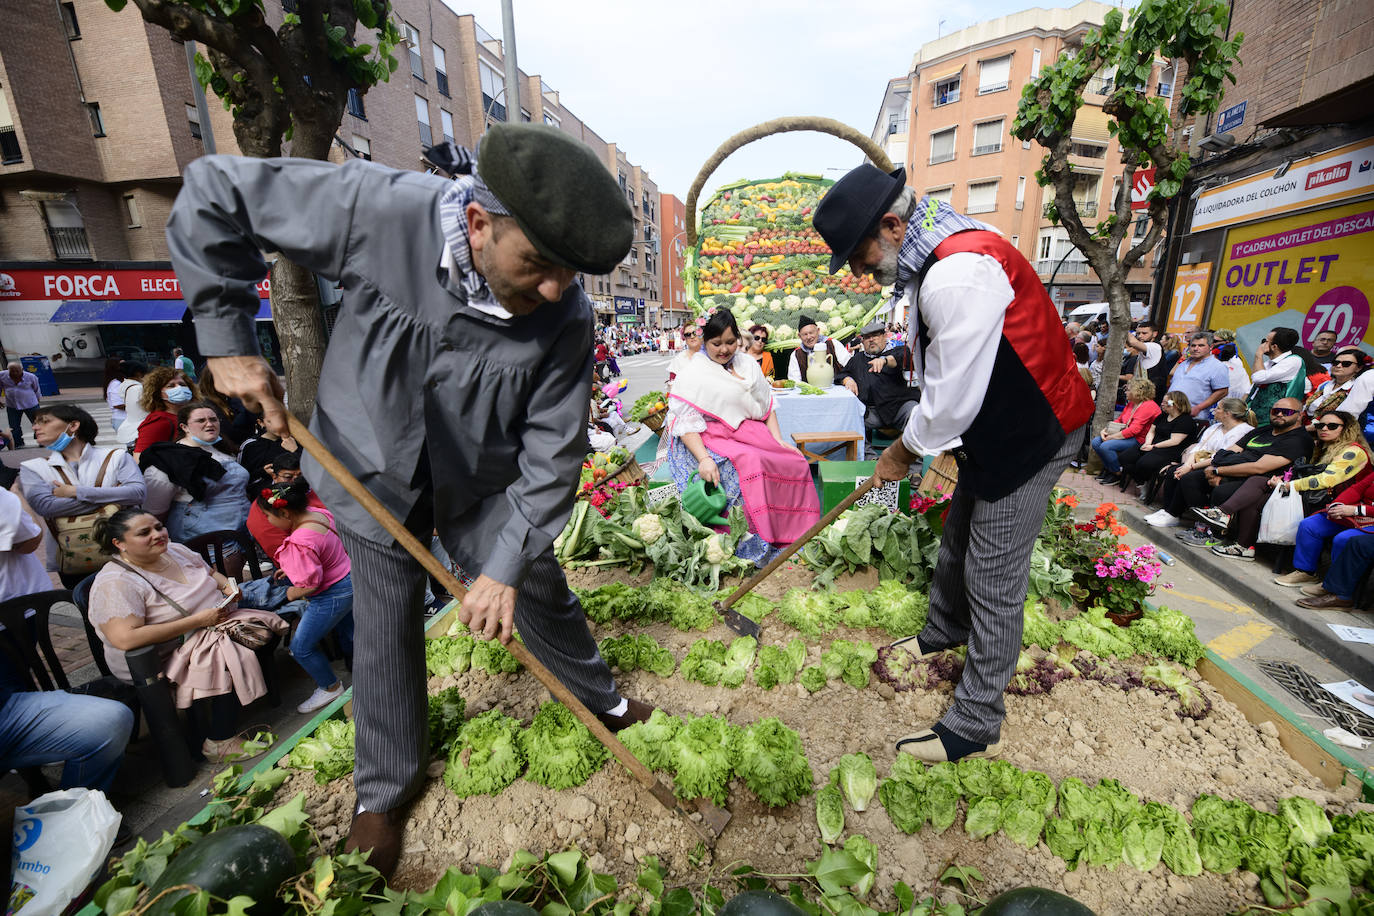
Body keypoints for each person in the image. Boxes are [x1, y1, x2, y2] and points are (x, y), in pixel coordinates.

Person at [166, 123, 660, 875]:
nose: (557, 289)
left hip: (480, 478)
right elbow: (213, 191)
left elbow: (553, 452)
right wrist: (227, 339)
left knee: (536, 582)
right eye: (540, 264)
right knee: (386, 621)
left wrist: (499, 568)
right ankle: (384, 793)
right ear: (478, 224)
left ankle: (598, 695)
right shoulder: (377, 209)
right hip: (367, 462)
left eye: (572, 273)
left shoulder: (565, 315)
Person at [813, 164, 1092, 763]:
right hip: (997, 428)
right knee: (957, 539)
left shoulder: (956, 274)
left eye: (859, 256)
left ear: (891, 225)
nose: (861, 271)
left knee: (993, 577)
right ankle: (945, 631)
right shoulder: (933, 261)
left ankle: (976, 720)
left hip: (1035, 431)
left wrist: (900, 451)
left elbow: (950, 401)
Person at [88, 509, 286, 761]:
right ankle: (218, 739)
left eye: (159, 527)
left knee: (265, 626)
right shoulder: (116, 582)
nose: (157, 535)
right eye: (144, 533)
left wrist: (230, 588)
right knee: (226, 652)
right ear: (119, 543)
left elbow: (213, 575)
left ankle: (232, 699)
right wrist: (197, 620)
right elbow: (125, 639)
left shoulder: (175, 550)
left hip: (208, 625)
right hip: (157, 656)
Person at [0, 485, 135, 794]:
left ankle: (69, 804)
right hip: (16, 610)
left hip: (18, 615)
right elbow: (31, 534)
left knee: (105, 720)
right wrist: (19, 495)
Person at [666, 308, 820, 563]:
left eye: (730, 342)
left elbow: (766, 406)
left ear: (738, 338)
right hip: (707, 435)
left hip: (749, 432)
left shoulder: (747, 363)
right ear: (705, 342)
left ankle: (799, 533)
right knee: (752, 462)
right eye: (716, 344)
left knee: (794, 460)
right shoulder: (694, 373)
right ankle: (762, 536)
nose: (724, 349)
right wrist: (704, 459)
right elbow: (685, 423)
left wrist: (778, 440)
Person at [19, 404, 147, 588]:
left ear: (73, 426)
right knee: (85, 606)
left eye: (44, 421)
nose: (35, 427)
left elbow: (138, 493)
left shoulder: (116, 456)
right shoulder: (34, 467)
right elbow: (45, 506)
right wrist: (116, 499)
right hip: (73, 557)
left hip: (126, 549)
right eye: (36, 423)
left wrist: (75, 492)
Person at [256, 480, 355, 714]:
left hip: (331, 594)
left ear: (284, 512)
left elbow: (310, 584)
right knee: (352, 633)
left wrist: (283, 596)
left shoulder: (300, 541)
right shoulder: (319, 514)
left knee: (301, 646)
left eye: (268, 516)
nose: (267, 522)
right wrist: (294, 568)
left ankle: (330, 688)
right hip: (349, 579)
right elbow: (323, 552)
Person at [1167, 398, 1313, 552]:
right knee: (1191, 479)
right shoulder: (1263, 430)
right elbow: (1230, 451)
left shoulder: (1299, 439)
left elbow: (1259, 467)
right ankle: (1202, 526)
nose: (1280, 414)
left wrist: (1219, 471)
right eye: (1275, 411)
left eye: (1287, 412)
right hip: (1233, 470)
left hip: (1262, 481)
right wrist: (1210, 467)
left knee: (1222, 490)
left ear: (1300, 415)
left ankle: (1216, 534)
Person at [145, 403, 252, 552]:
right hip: (204, 537)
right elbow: (155, 509)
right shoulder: (171, 460)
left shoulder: (225, 450)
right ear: (184, 427)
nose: (210, 424)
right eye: (201, 420)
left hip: (241, 530)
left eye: (213, 419)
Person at [1276, 445, 1374, 591]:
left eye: (1331, 426)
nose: (1324, 429)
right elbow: (1358, 488)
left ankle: (1333, 586)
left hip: (1366, 517)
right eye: (1321, 425)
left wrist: (1356, 509)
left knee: (1344, 539)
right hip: (1355, 512)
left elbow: (1327, 480)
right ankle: (1306, 572)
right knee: (1310, 525)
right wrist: (1338, 504)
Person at [1146, 398, 1255, 527]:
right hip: (1202, 462)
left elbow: (1221, 456)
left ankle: (1198, 519)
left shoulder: (1244, 431)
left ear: (1228, 413)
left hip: (1223, 467)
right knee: (1173, 472)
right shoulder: (1215, 427)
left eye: (1218, 408)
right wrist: (1187, 465)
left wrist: (1191, 467)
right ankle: (1168, 511)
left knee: (1188, 478)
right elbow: (1199, 448)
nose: (1214, 411)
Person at [841, 321, 920, 436]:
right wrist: (847, 379)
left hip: (900, 407)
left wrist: (885, 360)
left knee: (915, 414)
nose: (871, 339)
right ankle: (868, 454)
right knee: (850, 420)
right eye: (867, 337)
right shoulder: (857, 359)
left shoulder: (897, 350)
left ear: (884, 336)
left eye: (875, 336)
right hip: (872, 412)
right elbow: (841, 374)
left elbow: (903, 358)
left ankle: (910, 453)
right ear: (862, 341)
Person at [1119, 390, 1196, 496]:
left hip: (1170, 450)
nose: (1162, 404)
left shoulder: (1186, 421)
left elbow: (1174, 441)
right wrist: (1148, 443)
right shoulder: (1162, 416)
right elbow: (1151, 431)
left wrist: (1154, 446)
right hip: (1152, 445)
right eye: (1163, 401)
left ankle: (1144, 481)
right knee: (1125, 457)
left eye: (1165, 402)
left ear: (1175, 404)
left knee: (1144, 463)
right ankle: (1142, 481)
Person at [1091, 378, 1161, 486]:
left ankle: (1117, 473)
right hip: (1125, 434)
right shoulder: (1132, 403)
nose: (1125, 392)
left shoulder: (1148, 406)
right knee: (1096, 442)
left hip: (1139, 439)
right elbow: (1119, 420)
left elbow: (1134, 430)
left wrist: (1111, 437)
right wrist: (1105, 430)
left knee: (1106, 446)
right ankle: (1111, 468)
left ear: (1137, 391)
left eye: (1128, 390)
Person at [133, 366, 198, 458]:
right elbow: (140, 458)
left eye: (182, 384)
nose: (179, 388)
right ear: (157, 393)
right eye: (171, 386)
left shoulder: (192, 415)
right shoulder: (159, 421)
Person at [1247, 327, 1308, 423]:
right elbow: (1252, 389)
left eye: (1265, 341)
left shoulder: (1294, 360)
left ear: (1274, 347)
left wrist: (1258, 354)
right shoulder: (1270, 363)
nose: (1262, 345)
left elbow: (1258, 377)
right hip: (1254, 417)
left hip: (1275, 419)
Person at [1168, 332, 1230, 420]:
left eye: (1201, 345)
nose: (1196, 349)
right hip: (1169, 412)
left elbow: (1223, 391)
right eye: (1193, 345)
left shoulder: (1217, 366)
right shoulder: (1183, 364)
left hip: (1193, 415)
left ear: (1211, 347)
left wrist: (1199, 407)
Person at [1303, 347, 1374, 423]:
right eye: (1335, 362)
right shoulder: (1325, 385)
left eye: (1346, 364)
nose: (1338, 366)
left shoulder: (1356, 389)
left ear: (1359, 368)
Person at [787, 314, 850, 383]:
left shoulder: (833, 344)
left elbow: (849, 365)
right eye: (805, 334)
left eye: (811, 333)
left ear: (818, 331)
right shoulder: (796, 354)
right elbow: (794, 380)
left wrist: (846, 380)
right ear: (799, 336)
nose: (809, 337)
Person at [1, 363, 41, 448]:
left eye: (17, 371)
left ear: (22, 370)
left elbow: (36, 389)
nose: (15, 373)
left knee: (38, 423)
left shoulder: (31, 377)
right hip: (12, 405)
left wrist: (38, 400)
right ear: (9, 371)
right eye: (12, 371)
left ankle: (41, 440)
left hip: (31, 404)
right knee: (14, 425)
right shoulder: (2, 375)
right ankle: (18, 443)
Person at [114, 361, 150, 450]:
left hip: (133, 424)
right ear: (138, 373)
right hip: (141, 425)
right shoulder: (137, 388)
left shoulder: (125, 385)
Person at [1212, 329, 1251, 400]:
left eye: (1215, 341)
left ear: (1226, 342)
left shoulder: (1235, 360)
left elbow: (1235, 384)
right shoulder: (1215, 357)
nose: (1212, 343)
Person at [103, 358, 127, 432]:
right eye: (123, 365)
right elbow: (118, 404)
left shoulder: (122, 381)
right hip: (123, 420)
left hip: (125, 419)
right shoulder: (116, 384)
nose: (126, 367)